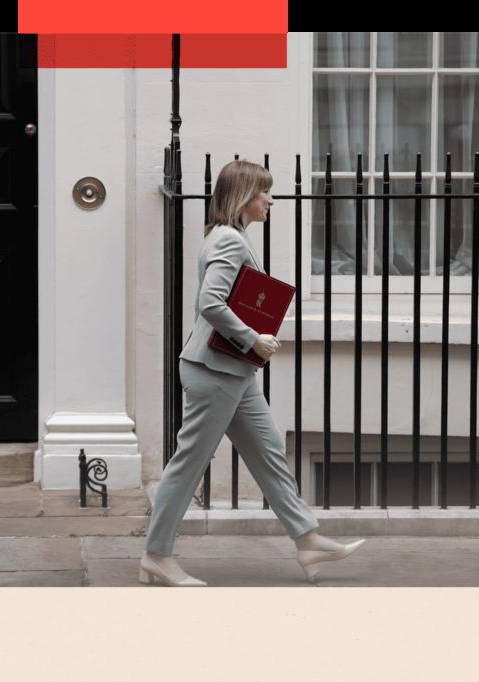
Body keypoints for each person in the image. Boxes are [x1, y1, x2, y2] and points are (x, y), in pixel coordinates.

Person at [139, 159, 365, 586]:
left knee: (269, 452)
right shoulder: (228, 240)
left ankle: (307, 539)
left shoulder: (230, 235)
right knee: (189, 464)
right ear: (244, 195)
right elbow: (210, 302)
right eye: (264, 192)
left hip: (231, 372)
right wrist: (252, 338)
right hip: (214, 372)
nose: (270, 200)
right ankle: (156, 555)